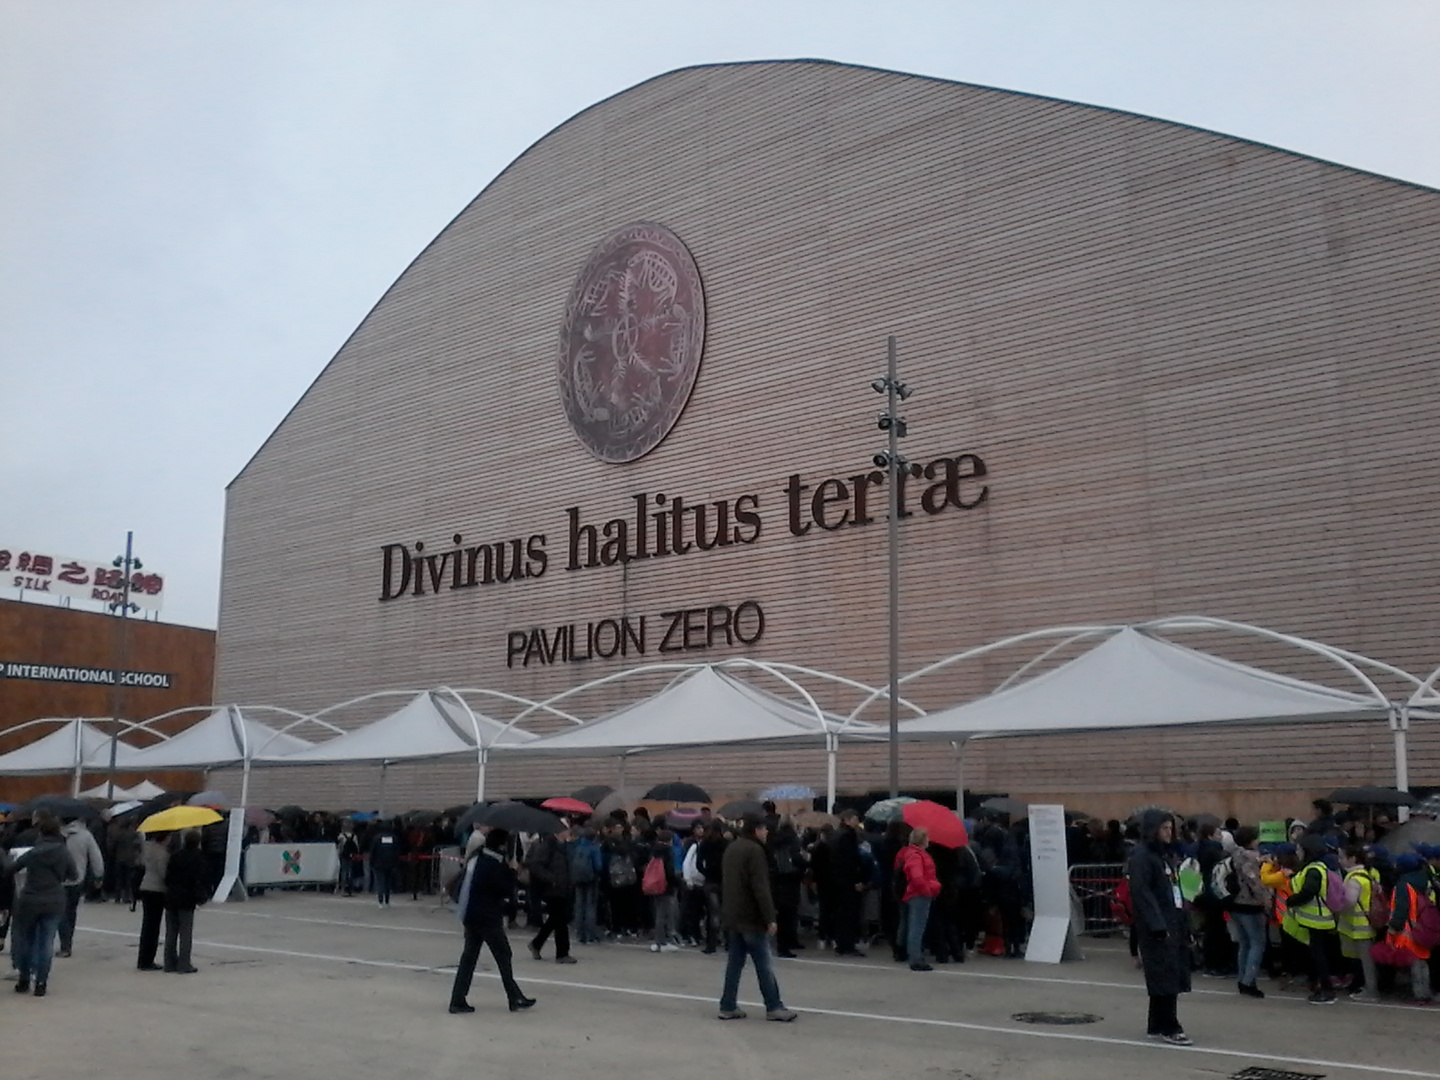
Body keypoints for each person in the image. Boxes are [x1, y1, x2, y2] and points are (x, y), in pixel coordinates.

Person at [717, 813, 796, 1022]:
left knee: (734, 964)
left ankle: (727, 1005)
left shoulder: (732, 848)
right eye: (763, 828)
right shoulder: (754, 851)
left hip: (733, 915)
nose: (767, 831)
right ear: (756, 830)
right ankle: (774, 1006)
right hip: (751, 917)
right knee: (763, 963)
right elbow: (760, 887)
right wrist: (770, 917)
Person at [449, 828, 536, 1014]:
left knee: (469, 958)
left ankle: (458, 999)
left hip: (471, 914)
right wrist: (512, 871)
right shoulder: (491, 864)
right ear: (502, 845)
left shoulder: (478, 858)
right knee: (503, 954)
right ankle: (513, 997)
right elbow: (504, 889)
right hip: (486, 916)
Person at [1127, 810, 1192, 1046]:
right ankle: (1170, 1025)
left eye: (1170, 828)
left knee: (1170, 971)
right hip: (1158, 925)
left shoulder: (1164, 854)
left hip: (1172, 920)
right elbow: (1142, 893)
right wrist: (1156, 924)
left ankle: (1156, 1023)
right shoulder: (1142, 856)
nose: (1169, 832)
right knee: (1164, 974)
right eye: (1164, 828)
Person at [9, 812, 77, 997]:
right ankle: (41, 982)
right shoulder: (64, 852)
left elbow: (12, 868)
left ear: (41, 832)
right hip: (54, 899)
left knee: (26, 940)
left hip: (30, 899)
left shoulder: (34, 852)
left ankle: (24, 978)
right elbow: (74, 875)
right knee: (46, 942)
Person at [1287, 834, 1338, 1004]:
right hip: (1317, 918)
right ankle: (1321, 986)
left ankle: (1326, 989)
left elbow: (1309, 891)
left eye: (1299, 849)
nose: (1297, 852)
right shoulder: (1316, 868)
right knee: (1318, 954)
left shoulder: (1313, 870)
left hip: (1317, 918)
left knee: (1319, 956)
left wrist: (1292, 901)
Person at [1228, 825, 1272, 998]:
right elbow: (1255, 882)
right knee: (1257, 944)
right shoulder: (1250, 859)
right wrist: (1266, 899)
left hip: (1234, 903)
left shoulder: (1234, 855)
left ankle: (1243, 978)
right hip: (1250, 904)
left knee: (1244, 944)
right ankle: (1249, 981)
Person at [527, 825, 577, 964]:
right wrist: (552, 879)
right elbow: (536, 865)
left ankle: (536, 943)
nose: (568, 831)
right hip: (553, 889)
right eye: (566, 828)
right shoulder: (548, 845)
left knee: (555, 919)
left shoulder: (564, 846)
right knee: (560, 921)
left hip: (563, 887)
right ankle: (562, 953)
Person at [894, 825, 942, 971]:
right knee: (917, 927)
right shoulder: (917, 855)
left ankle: (909, 953)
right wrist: (928, 890)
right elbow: (917, 877)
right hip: (918, 893)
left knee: (911, 925)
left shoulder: (906, 853)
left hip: (911, 892)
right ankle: (915, 958)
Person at [1337, 844, 1380, 1002]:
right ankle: (1369, 987)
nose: (1340, 860)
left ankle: (1372, 991)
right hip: (1368, 922)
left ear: (1352, 859)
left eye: (1342, 857)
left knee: (1366, 961)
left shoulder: (1354, 878)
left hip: (1360, 924)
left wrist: (1337, 908)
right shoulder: (1369, 874)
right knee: (1367, 959)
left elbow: (1349, 901)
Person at [56, 816, 104, 958]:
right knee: (71, 911)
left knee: (61, 912)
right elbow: (96, 856)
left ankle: (64, 943)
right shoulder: (85, 835)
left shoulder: (56, 833)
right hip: (77, 878)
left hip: (57, 879)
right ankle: (67, 942)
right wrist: (98, 875)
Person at [163, 829, 208, 973]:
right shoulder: (198, 858)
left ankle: (169, 963)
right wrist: (201, 897)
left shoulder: (175, 856)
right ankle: (184, 964)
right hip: (187, 899)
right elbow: (199, 880)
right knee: (185, 933)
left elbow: (168, 877)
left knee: (171, 932)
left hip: (172, 897)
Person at [827, 810, 868, 957]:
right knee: (850, 913)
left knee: (840, 913)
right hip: (848, 879)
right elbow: (851, 860)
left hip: (837, 879)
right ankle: (848, 944)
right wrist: (858, 879)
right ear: (848, 820)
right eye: (855, 819)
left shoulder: (835, 834)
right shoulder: (848, 836)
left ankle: (841, 942)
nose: (857, 822)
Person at [136, 829, 171, 971]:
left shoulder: (148, 848)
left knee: (147, 925)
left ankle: (143, 958)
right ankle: (148, 960)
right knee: (153, 927)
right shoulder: (162, 853)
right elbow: (164, 874)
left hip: (146, 886)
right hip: (157, 889)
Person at [368, 819, 400, 907]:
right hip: (390, 863)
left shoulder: (377, 838)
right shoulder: (394, 838)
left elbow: (373, 851)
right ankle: (387, 900)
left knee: (380, 882)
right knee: (388, 882)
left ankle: (380, 900)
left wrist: (371, 862)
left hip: (378, 863)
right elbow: (396, 851)